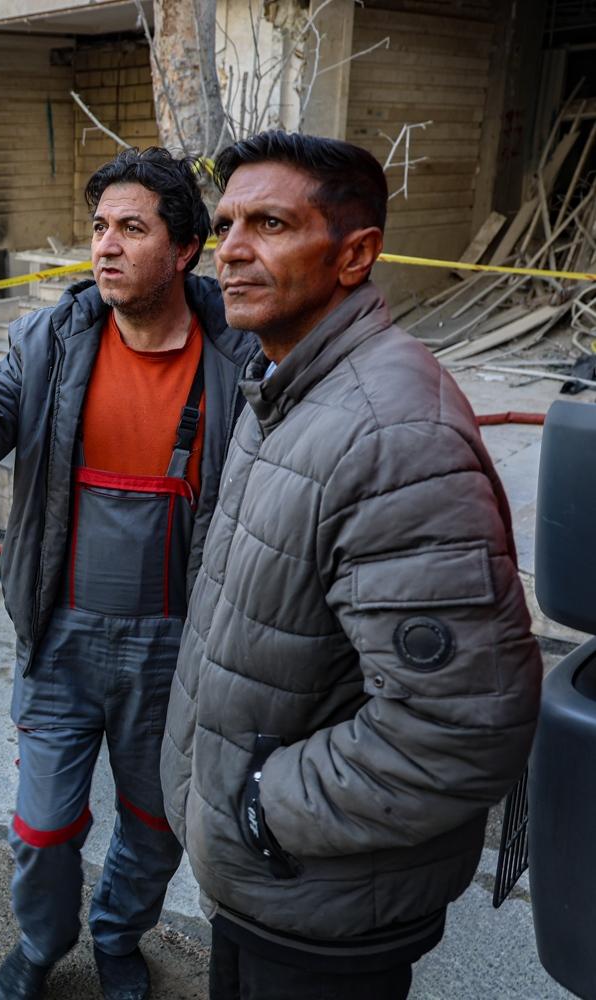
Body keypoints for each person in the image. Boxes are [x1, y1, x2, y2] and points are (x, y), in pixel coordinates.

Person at [160, 132, 542, 1000]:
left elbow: (460, 726)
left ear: (355, 254)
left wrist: (261, 806)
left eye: (270, 223)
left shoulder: (390, 433)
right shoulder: (284, 387)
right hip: (265, 883)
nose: (232, 250)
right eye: (225, 226)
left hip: (319, 902)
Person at [0, 148, 256, 1000]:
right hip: (59, 638)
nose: (105, 245)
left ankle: (117, 936)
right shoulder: (49, 341)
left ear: (185, 249)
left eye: (132, 229)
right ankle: (41, 945)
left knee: (154, 823)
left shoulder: (240, 358)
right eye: (101, 226)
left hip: (177, 648)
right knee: (43, 827)